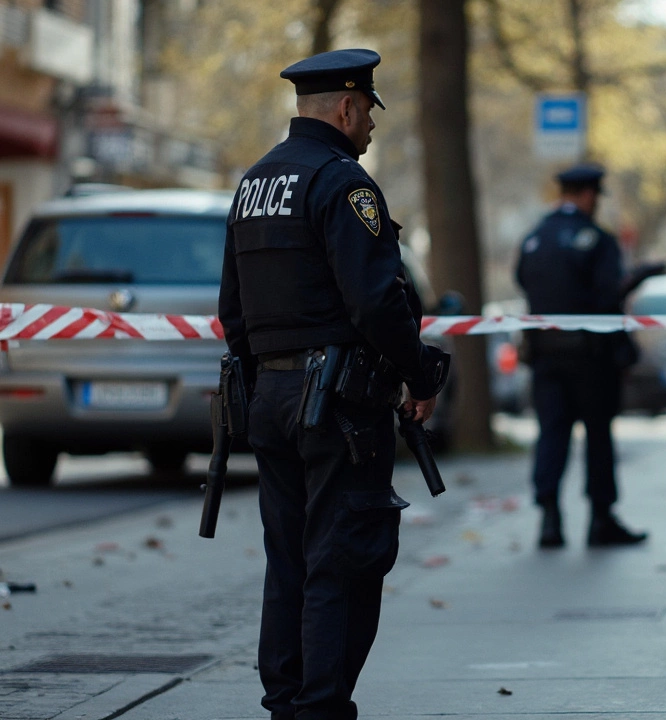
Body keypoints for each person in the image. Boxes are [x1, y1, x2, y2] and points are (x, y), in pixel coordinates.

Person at [218, 49, 448, 720]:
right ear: (347, 108)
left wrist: (267, 386)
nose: (372, 128)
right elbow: (377, 302)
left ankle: (285, 701)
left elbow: (234, 311)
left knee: (286, 559)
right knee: (340, 560)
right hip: (341, 409)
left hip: (272, 401)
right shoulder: (344, 183)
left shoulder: (254, 184)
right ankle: (320, 708)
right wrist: (418, 374)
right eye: (369, 113)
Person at [515, 163, 662, 549]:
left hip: (546, 356)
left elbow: (525, 284)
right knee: (598, 436)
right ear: (588, 195)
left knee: (552, 435)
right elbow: (607, 295)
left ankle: (549, 518)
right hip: (590, 358)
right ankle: (601, 519)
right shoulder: (597, 239)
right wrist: (639, 276)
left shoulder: (535, 238)